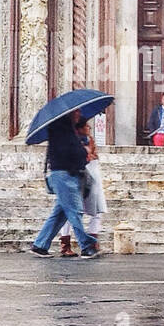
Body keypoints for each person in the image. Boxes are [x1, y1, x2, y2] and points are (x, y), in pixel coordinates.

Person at [30, 108, 98, 258]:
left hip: (66, 175)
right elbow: (71, 152)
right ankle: (86, 245)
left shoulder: (66, 131)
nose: (79, 115)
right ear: (69, 114)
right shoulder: (62, 132)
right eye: (76, 113)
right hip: (64, 175)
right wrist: (83, 151)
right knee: (75, 211)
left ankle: (40, 244)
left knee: (60, 214)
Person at [57, 115, 107, 256]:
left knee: (96, 211)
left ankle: (92, 242)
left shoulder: (90, 140)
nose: (89, 128)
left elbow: (93, 156)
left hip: (91, 177)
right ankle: (65, 244)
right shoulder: (71, 142)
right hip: (77, 178)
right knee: (69, 212)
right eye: (86, 126)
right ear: (79, 128)